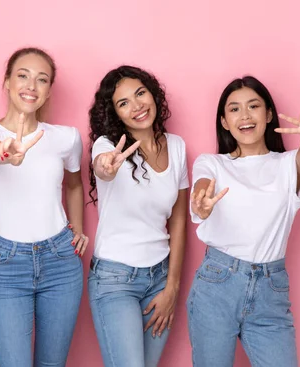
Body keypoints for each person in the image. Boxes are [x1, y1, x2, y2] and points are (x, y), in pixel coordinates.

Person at [187, 76, 300, 366]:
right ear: (225, 122)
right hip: (217, 285)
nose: (245, 116)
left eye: (253, 106)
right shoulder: (213, 163)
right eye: (234, 109)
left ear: (268, 114)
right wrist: (201, 204)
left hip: (271, 289)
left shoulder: (288, 165)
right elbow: (202, 189)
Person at [0, 47, 87, 367]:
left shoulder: (66, 138)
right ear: (6, 82)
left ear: (48, 92)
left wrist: (79, 227)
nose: (31, 85)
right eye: (23, 76)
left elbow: (74, 185)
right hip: (9, 264)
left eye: (41, 79)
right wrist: (4, 151)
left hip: (61, 260)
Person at [88, 65, 188, 367]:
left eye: (140, 94)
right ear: (115, 114)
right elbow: (102, 168)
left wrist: (172, 287)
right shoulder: (107, 147)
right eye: (123, 103)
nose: (137, 106)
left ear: (153, 94)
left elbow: (179, 220)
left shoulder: (178, 146)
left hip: (159, 279)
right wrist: (105, 166)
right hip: (115, 280)